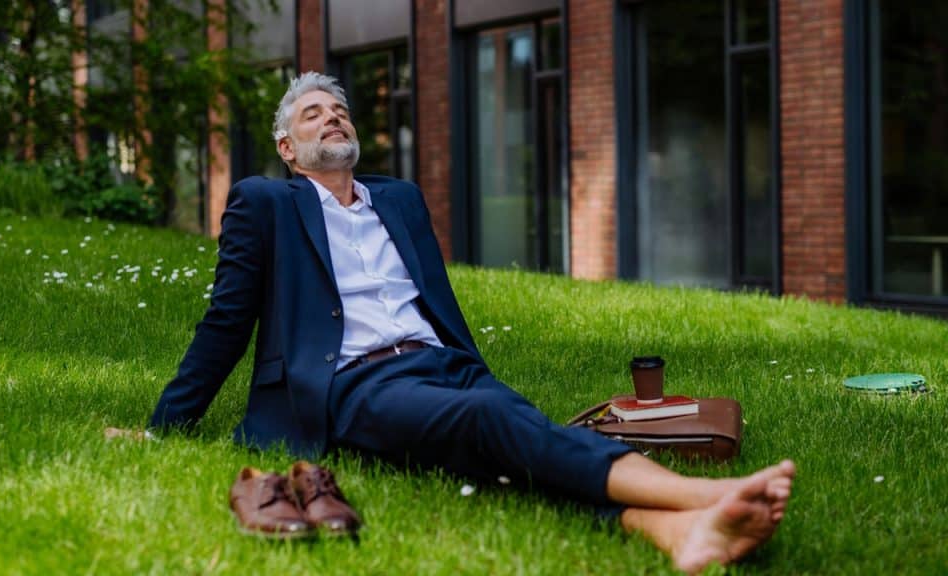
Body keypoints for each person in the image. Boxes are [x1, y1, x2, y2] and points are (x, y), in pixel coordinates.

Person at [147, 72, 794, 573]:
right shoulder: (266, 202)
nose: (332, 116)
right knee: (494, 425)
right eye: (312, 113)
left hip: (444, 363)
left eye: (338, 108)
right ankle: (700, 498)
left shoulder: (398, 199)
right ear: (289, 148)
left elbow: (439, 304)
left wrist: (471, 368)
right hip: (355, 383)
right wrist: (163, 427)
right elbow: (226, 321)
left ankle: (671, 532)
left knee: (517, 437)